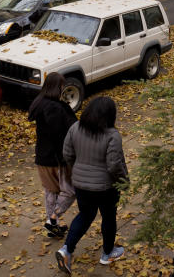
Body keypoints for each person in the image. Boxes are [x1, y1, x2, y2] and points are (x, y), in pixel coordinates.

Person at [56, 96, 128, 274]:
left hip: (81, 185)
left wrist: (78, 170)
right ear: (110, 115)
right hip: (106, 188)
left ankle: (66, 250)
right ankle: (108, 253)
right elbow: (114, 165)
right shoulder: (112, 135)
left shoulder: (75, 128)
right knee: (109, 217)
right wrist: (123, 182)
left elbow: (67, 153)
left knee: (85, 215)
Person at [27, 73, 77, 239]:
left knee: (51, 191)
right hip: (57, 158)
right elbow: (61, 134)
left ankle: (52, 225)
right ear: (58, 87)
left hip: (42, 157)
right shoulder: (56, 108)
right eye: (62, 86)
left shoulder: (38, 103)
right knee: (70, 191)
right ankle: (54, 217)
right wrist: (67, 157)